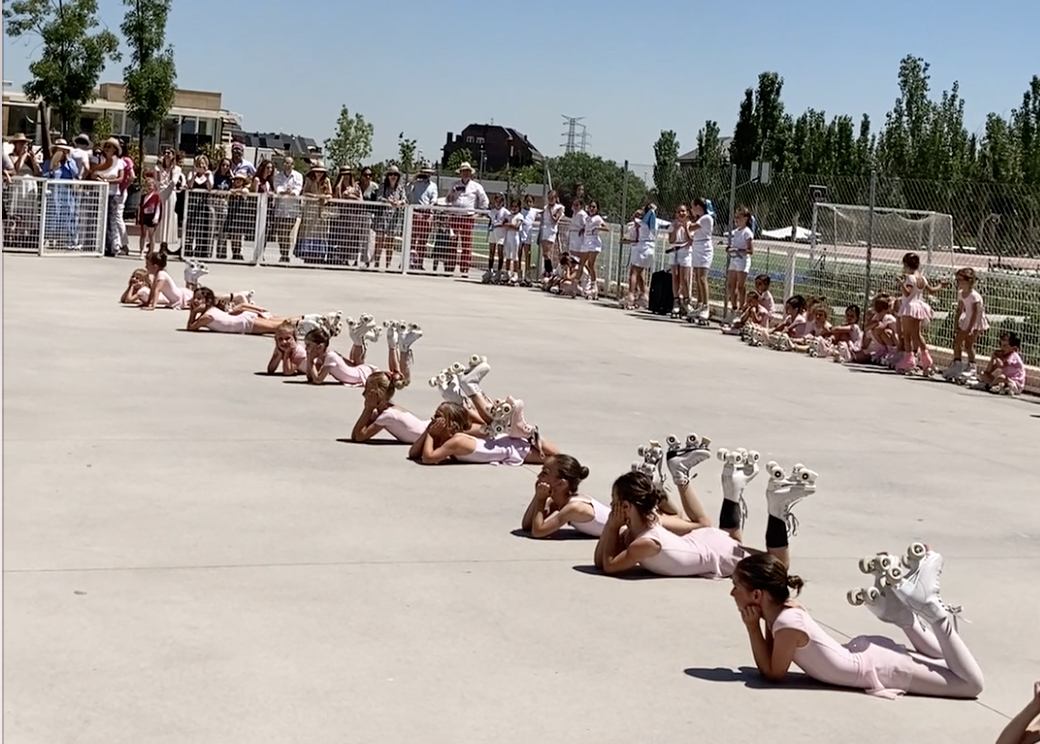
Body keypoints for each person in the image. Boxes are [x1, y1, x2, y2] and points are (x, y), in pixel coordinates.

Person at [732, 545, 984, 699]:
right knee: (947, 660)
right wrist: (762, 619)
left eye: (736, 587)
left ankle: (933, 611)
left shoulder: (786, 624)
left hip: (882, 668)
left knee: (970, 685)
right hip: (869, 657)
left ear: (757, 595)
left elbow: (774, 673)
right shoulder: (784, 613)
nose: (732, 593)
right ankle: (906, 619)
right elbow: (773, 656)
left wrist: (752, 627)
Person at [595, 437, 816, 578]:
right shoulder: (641, 530)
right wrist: (614, 526)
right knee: (734, 540)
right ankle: (732, 492)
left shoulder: (645, 543)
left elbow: (608, 565)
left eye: (614, 502)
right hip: (706, 540)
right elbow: (599, 561)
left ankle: (776, 509)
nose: (611, 506)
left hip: (715, 553)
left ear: (626, 506)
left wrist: (613, 527)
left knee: (779, 567)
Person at [408, 402, 558, 466]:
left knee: (556, 458)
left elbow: (428, 459)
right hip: (502, 444)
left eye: (439, 416)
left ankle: (528, 432)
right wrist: (429, 430)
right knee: (554, 459)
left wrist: (432, 434)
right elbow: (413, 453)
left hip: (511, 448)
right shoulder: (447, 438)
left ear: (452, 424)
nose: (434, 418)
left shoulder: (456, 441)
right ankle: (525, 432)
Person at [521, 455, 608, 538]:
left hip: (621, 532)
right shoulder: (557, 502)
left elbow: (538, 532)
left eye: (544, 473)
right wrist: (537, 495)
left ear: (561, 483)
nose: (538, 476)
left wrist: (541, 499)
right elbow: (527, 525)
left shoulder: (574, 507)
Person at [895, 251, 948, 374]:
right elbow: (932, 291)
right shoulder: (922, 278)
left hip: (909, 307)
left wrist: (900, 283)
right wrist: (941, 285)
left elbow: (907, 293)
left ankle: (909, 360)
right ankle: (926, 360)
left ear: (906, 265)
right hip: (919, 306)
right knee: (917, 334)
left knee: (907, 335)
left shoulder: (909, 278)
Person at [186, 287, 296, 334]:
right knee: (279, 322)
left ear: (207, 301)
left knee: (277, 327)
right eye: (195, 298)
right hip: (245, 319)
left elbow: (191, 328)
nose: (196, 301)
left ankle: (303, 323)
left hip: (245, 323)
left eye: (199, 299)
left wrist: (193, 313)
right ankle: (304, 319)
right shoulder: (211, 310)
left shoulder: (206, 317)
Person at [945, 267, 990, 382]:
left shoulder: (975, 296)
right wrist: (956, 321)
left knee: (969, 345)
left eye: (961, 280)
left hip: (975, 322)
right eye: (958, 280)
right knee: (957, 342)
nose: (959, 283)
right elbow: (960, 309)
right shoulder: (961, 294)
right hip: (966, 320)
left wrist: (970, 327)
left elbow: (976, 313)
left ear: (969, 281)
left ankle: (972, 367)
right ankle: (957, 364)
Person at [445, 161, 489, 277]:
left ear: (471, 173)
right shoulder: (454, 184)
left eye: (467, 171)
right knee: (452, 242)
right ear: (460, 173)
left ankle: (464, 269)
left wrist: (478, 214)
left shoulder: (476, 186)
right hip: (455, 216)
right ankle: (450, 268)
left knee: (466, 244)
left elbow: (485, 201)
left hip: (467, 217)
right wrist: (452, 193)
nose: (465, 173)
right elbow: (447, 200)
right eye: (463, 171)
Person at [41, 138, 80, 250]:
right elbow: (45, 176)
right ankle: (49, 238)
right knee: (53, 214)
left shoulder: (70, 162)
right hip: (54, 193)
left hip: (67, 193)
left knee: (68, 214)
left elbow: (76, 174)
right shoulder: (49, 162)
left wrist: (67, 161)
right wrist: (53, 170)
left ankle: (65, 239)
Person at [373, 165, 407, 271]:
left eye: (395, 174)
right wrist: (388, 201)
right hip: (382, 216)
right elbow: (379, 198)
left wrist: (399, 202)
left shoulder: (400, 188)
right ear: (387, 176)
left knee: (390, 242)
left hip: (394, 218)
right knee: (380, 240)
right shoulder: (383, 187)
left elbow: (405, 200)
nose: (393, 176)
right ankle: (377, 262)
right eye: (391, 174)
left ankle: (388, 264)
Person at [272, 156, 304, 263]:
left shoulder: (298, 176)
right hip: (280, 210)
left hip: (292, 210)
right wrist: (285, 191)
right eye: (285, 162)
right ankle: (283, 253)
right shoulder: (277, 176)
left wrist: (291, 192)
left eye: (289, 163)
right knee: (280, 234)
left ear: (293, 165)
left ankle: (285, 254)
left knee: (286, 232)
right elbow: (277, 187)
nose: (287, 165)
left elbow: (298, 189)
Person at [407, 163, 439, 270]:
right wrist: (414, 179)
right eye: (425, 172)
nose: (427, 174)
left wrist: (429, 207)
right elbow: (407, 192)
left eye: (429, 173)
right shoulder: (415, 183)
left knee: (423, 240)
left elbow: (434, 200)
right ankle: (409, 262)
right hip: (416, 212)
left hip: (427, 214)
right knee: (411, 239)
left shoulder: (433, 186)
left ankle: (419, 263)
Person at [726, 207, 755, 323]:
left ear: (746, 218)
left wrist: (737, 250)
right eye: (735, 216)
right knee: (731, 285)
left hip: (742, 261)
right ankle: (733, 308)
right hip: (734, 260)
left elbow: (750, 250)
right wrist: (730, 249)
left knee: (740, 286)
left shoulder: (747, 232)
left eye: (739, 217)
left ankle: (741, 310)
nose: (736, 219)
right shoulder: (735, 232)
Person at [689, 197, 715, 323]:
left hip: (705, 249)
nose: (691, 210)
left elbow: (691, 228)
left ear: (699, 207)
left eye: (692, 207)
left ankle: (706, 306)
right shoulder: (700, 219)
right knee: (697, 277)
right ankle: (699, 304)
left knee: (702, 278)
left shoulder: (706, 218)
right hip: (697, 247)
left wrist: (686, 222)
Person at [183, 155, 214, 258]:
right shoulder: (192, 174)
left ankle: (200, 250)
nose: (201, 166)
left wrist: (208, 175)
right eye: (199, 164)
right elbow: (190, 185)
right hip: (192, 203)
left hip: (204, 204)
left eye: (203, 164)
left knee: (202, 227)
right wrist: (193, 173)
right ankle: (188, 249)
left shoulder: (209, 174)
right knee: (191, 227)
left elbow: (210, 187)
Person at [154, 148, 184, 253]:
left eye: (169, 153)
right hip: (160, 194)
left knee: (169, 218)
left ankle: (165, 243)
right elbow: (157, 181)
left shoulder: (177, 169)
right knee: (160, 218)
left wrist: (165, 187)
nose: (166, 155)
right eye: (165, 153)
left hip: (170, 195)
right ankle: (157, 242)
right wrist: (161, 189)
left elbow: (174, 181)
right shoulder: (158, 168)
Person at [665, 204, 693, 315]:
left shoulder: (690, 224)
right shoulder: (673, 225)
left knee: (684, 278)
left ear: (687, 213)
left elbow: (690, 239)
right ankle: (676, 300)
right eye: (679, 211)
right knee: (675, 277)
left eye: (683, 211)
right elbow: (671, 240)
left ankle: (687, 300)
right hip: (674, 250)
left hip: (685, 251)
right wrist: (676, 229)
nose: (681, 213)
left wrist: (685, 228)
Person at [579, 200, 607, 300]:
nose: (591, 208)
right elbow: (586, 227)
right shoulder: (587, 218)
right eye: (590, 206)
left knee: (590, 264)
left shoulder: (597, 218)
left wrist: (597, 228)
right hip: (586, 241)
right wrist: (583, 229)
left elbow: (606, 228)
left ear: (597, 209)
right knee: (582, 263)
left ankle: (593, 286)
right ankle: (581, 284)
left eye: (594, 207)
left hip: (594, 242)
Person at [538, 190, 565, 278]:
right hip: (544, 229)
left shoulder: (558, 208)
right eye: (549, 198)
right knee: (544, 254)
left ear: (555, 198)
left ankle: (550, 271)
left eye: (552, 198)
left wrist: (550, 211)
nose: (550, 200)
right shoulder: (545, 207)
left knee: (547, 253)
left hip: (551, 230)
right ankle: (547, 270)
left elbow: (555, 219)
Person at [484, 192, 509, 283]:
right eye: (496, 201)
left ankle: (498, 272)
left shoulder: (505, 212)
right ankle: (490, 270)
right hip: (493, 233)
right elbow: (490, 220)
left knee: (500, 252)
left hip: (501, 234)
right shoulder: (492, 212)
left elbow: (508, 221)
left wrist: (502, 224)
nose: (498, 203)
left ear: (503, 202)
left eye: (500, 201)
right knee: (491, 252)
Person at [137, 177, 162, 256]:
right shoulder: (143, 196)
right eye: (147, 185)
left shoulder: (156, 196)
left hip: (152, 216)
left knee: (151, 235)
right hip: (144, 216)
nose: (149, 187)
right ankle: (141, 251)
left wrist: (156, 217)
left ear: (154, 186)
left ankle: (150, 252)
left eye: (151, 185)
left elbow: (158, 207)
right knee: (143, 234)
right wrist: (138, 216)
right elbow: (140, 206)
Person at [518, 194, 539, 285]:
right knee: (518, 255)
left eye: (530, 202)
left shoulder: (533, 211)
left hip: (528, 236)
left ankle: (527, 274)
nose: (528, 203)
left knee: (528, 255)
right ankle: (518, 274)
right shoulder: (520, 211)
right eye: (527, 201)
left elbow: (544, 211)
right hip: (519, 234)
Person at [502, 198, 523, 285]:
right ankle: (507, 272)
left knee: (515, 256)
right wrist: (510, 225)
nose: (514, 208)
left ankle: (515, 273)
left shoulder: (519, 216)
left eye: (516, 206)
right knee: (507, 255)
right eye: (513, 206)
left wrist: (510, 225)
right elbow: (504, 224)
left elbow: (517, 227)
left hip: (515, 237)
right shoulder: (509, 216)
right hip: (508, 236)